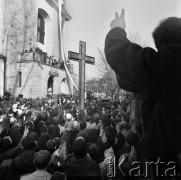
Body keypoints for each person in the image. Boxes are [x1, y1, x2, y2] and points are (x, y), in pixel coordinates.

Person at [104, 8, 181, 176]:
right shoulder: (159, 81)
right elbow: (127, 80)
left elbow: (121, 55)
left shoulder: (172, 64)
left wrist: (118, 29)